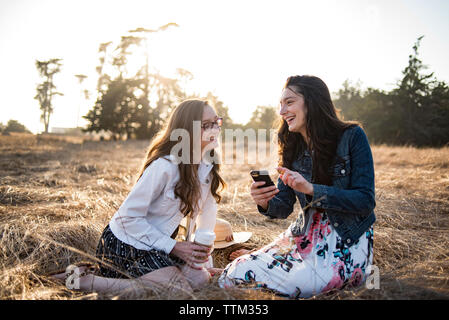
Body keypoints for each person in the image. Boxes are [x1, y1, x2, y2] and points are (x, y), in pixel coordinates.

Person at [218, 75, 376, 299]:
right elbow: (282, 208)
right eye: (280, 104)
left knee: (304, 285)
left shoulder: (352, 136)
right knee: (232, 274)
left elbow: (365, 200)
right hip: (304, 235)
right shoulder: (292, 144)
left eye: (289, 102)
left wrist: (312, 189)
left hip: (346, 239)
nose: (282, 111)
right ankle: (268, 258)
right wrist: (264, 202)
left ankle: (274, 261)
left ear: (312, 102)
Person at [51, 100, 225, 293]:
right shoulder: (165, 166)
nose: (215, 129)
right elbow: (128, 218)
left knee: (200, 278)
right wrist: (173, 247)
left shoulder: (207, 167)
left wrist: (202, 259)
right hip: (127, 242)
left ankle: (118, 275)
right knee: (178, 290)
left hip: (158, 244)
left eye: (216, 122)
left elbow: (207, 213)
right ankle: (85, 281)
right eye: (206, 125)